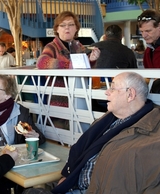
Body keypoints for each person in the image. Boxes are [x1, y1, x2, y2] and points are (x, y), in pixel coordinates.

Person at [23, 72, 160, 194]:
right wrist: (68, 175)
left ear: (130, 94)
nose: (107, 92)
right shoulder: (107, 120)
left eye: (112, 88)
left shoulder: (151, 135)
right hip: (75, 184)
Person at [36, 11, 100, 129]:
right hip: (59, 105)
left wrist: (91, 60)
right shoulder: (52, 46)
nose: (67, 28)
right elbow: (41, 62)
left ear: (76, 28)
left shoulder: (79, 46)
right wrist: (68, 65)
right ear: (57, 29)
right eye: (63, 25)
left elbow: (83, 69)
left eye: (71, 24)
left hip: (80, 100)